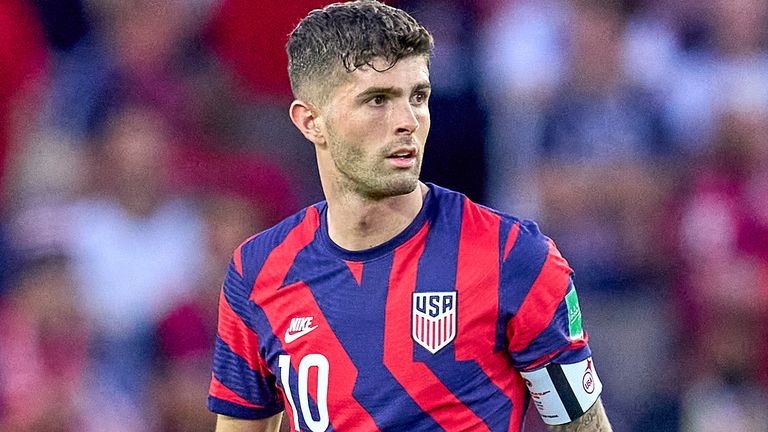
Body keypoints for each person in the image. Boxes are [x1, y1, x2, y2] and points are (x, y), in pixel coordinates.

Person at [207, 1, 612, 431]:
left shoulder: (513, 256)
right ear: (311, 121)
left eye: (418, 97)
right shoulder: (257, 273)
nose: (407, 121)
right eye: (377, 100)